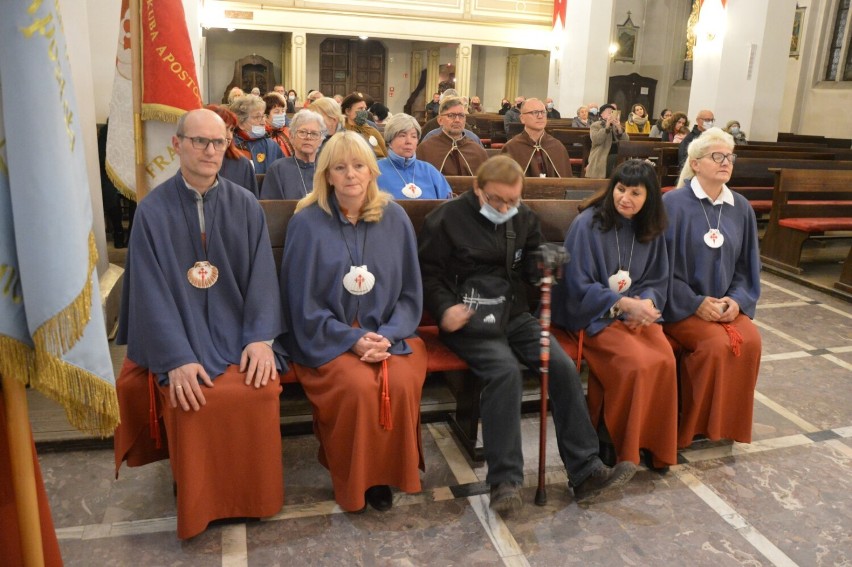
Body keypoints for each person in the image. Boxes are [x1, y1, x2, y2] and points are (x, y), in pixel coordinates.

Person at [418, 155, 637, 515]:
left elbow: (534, 263)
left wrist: (546, 262)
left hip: (514, 313)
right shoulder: (445, 220)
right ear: (477, 189)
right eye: (496, 200)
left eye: (512, 200)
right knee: (504, 373)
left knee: (562, 366)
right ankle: (505, 481)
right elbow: (427, 274)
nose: (505, 207)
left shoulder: (522, 217)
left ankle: (586, 471)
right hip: (467, 316)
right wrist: (444, 309)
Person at [112, 109, 284, 539]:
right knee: (192, 399)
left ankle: (253, 498)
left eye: (219, 142)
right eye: (200, 142)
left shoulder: (245, 204)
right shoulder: (151, 211)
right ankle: (201, 502)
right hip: (181, 335)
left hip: (236, 331)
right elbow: (149, 292)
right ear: (178, 144)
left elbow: (262, 276)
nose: (211, 151)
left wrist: (261, 338)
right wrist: (176, 357)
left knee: (258, 391)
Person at [279, 131, 427, 513]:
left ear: (372, 171)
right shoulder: (307, 223)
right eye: (340, 168)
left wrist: (388, 335)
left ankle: (385, 474)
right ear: (326, 175)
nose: (350, 175)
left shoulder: (395, 218)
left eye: (358, 166)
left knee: (400, 380)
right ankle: (355, 478)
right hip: (325, 336)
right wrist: (352, 339)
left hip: (390, 333)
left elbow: (411, 293)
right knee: (359, 386)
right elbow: (301, 302)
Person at [552, 160, 677, 470]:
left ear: (649, 198)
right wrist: (621, 304)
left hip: (634, 314)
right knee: (634, 363)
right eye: (621, 189)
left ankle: (653, 444)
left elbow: (658, 279)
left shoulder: (652, 229)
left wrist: (645, 304)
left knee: (664, 358)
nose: (626, 198)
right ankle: (620, 445)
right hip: (594, 315)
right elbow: (575, 283)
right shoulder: (588, 224)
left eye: (635, 193)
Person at [665, 128, 762, 449]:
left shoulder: (741, 207)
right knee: (713, 346)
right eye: (716, 156)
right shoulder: (673, 204)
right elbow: (657, 268)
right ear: (695, 163)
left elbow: (748, 266)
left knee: (750, 340)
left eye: (729, 157)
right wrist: (694, 302)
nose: (725, 162)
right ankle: (692, 427)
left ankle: (726, 426)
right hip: (681, 305)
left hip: (724, 306)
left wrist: (737, 301)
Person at [376, 113, 452, 199]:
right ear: (390, 141)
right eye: (402, 135)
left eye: (413, 136)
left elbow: (447, 205)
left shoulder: (430, 171)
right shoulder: (375, 170)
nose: (409, 141)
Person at [261, 109, 326, 199]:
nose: (308, 137)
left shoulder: (328, 168)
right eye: (302, 132)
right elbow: (271, 208)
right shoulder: (278, 169)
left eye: (314, 134)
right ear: (291, 136)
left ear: (321, 140)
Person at [500, 98, 573, 178]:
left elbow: (567, 184)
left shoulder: (557, 147)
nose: (540, 116)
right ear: (522, 118)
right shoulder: (512, 147)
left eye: (543, 112)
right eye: (534, 112)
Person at [417, 96, 488, 176]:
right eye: (451, 115)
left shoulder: (477, 151)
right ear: (440, 120)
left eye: (461, 115)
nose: (457, 120)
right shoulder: (426, 149)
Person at [206, 104, 259, 196]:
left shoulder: (243, 164)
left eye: (231, 130)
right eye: (224, 129)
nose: (229, 136)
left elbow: (253, 204)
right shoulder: (197, 161)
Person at [230, 94, 284, 174]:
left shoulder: (271, 145)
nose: (263, 122)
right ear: (241, 123)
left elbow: (283, 174)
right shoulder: (230, 146)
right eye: (257, 117)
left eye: (263, 116)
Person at [587, 104, 629, 179]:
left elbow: (626, 142)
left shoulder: (616, 125)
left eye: (612, 112)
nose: (611, 114)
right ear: (602, 115)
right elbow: (596, 140)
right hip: (602, 153)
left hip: (618, 152)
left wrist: (619, 128)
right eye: (608, 112)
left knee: (622, 159)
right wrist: (607, 127)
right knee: (615, 158)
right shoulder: (596, 125)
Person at [341, 92, 388, 158]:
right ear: (348, 111)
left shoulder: (372, 130)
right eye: (360, 108)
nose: (364, 112)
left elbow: (385, 155)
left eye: (365, 109)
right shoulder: (341, 131)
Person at [263, 92, 295, 157]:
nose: (281, 114)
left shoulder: (289, 132)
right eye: (276, 112)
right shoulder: (261, 134)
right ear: (266, 116)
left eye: (283, 111)